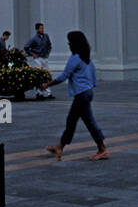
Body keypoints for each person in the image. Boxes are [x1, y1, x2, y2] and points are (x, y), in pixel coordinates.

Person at [43, 31, 108, 161]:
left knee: (86, 122)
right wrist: (90, 87)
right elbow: (92, 75)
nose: (68, 44)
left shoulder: (75, 58)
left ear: (74, 44)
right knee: (73, 121)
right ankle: (60, 147)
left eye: (69, 42)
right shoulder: (86, 58)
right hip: (87, 92)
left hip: (81, 94)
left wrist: (47, 85)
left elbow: (64, 76)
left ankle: (102, 149)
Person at [24, 22, 53, 98]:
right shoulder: (34, 38)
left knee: (47, 75)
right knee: (39, 75)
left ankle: (48, 93)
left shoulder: (46, 36)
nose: (42, 29)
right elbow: (26, 47)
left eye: (43, 28)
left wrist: (48, 52)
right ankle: (39, 92)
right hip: (38, 58)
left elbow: (49, 45)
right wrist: (32, 54)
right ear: (37, 29)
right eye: (41, 28)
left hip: (44, 57)